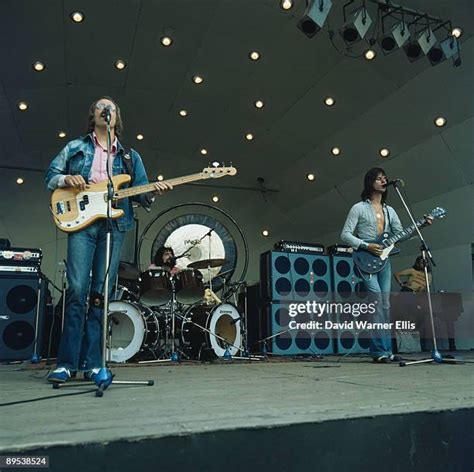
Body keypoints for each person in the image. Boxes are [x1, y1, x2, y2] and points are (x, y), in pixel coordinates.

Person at [45, 96, 172, 383]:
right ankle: (66, 363)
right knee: (77, 289)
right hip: (81, 224)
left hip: (113, 226)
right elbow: (51, 175)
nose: (107, 110)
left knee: (101, 295)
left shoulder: (129, 157)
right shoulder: (75, 147)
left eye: (112, 107)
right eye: (102, 107)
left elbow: (141, 192)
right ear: (94, 115)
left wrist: (153, 192)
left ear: (117, 117)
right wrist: (66, 180)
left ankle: (93, 364)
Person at [341, 168, 432, 363]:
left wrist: (422, 225)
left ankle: (387, 351)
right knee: (376, 303)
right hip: (365, 259)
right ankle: (378, 351)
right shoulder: (358, 208)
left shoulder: (390, 211)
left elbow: (400, 235)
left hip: (384, 261)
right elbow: (345, 235)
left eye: (385, 178)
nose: (384, 181)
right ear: (370, 182)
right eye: (379, 178)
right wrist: (366, 245)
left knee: (385, 305)